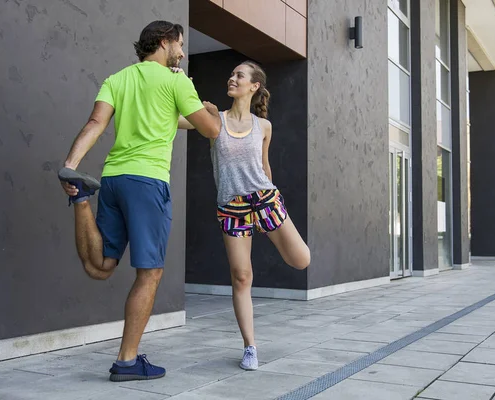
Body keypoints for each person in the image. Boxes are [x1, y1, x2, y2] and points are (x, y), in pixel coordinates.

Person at [58, 20, 221, 382]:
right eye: (179, 45)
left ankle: (82, 197)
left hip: (114, 178)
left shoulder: (117, 79)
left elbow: (96, 122)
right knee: (150, 273)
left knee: (99, 266)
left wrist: (71, 165)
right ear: (164, 42)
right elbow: (211, 130)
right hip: (148, 184)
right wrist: (206, 107)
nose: (182, 52)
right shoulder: (176, 81)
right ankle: (127, 362)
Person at [178, 61, 311, 371]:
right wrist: (179, 85)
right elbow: (174, 119)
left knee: (301, 260)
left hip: (265, 199)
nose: (232, 77)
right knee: (242, 277)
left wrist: (272, 209)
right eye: (232, 72)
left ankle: (269, 226)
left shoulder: (264, 126)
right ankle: (250, 347)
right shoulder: (214, 121)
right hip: (232, 207)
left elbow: (264, 167)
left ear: (254, 86)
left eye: (239, 75)